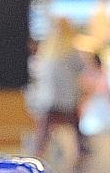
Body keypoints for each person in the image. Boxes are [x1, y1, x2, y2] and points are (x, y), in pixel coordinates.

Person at [26, 17, 90, 163]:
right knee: (74, 127)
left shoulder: (46, 50)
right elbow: (80, 69)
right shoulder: (71, 50)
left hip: (48, 97)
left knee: (44, 129)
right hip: (67, 96)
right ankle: (79, 155)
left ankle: (38, 155)